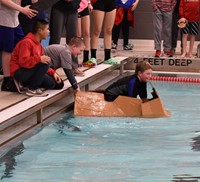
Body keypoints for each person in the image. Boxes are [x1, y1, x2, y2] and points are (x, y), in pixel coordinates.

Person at [10, 19, 63, 97]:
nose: (48, 32)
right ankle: (31, 89)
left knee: (53, 84)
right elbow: (23, 62)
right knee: (44, 64)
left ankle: (29, 84)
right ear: (40, 30)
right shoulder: (26, 42)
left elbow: (39, 63)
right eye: (47, 29)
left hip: (30, 71)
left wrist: (53, 72)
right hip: (19, 72)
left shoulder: (39, 46)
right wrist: (39, 59)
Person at [0, 0, 38, 92]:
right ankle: (7, 80)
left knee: (21, 45)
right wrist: (22, 9)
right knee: (7, 49)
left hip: (14, 20)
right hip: (4, 20)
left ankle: (16, 73)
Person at [49, 0, 83, 76]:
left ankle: (74, 66)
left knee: (73, 40)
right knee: (55, 38)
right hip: (59, 7)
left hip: (73, 8)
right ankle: (50, 68)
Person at [90, 0, 120, 65]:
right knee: (96, 30)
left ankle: (107, 57)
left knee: (109, 30)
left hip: (111, 2)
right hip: (98, 2)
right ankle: (93, 57)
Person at [77, 0, 95, 67]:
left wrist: (89, 3)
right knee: (78, 35)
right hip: (76, 6)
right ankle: (75, 60)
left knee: (87, 33)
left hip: (85, 6)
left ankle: (86, 59)